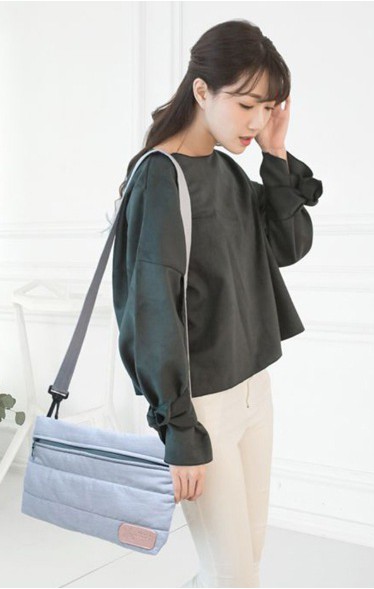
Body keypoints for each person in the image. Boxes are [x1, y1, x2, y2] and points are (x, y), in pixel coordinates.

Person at [110, 19, 323, 588]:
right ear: (202, 90)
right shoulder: (160, 178)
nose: (256, 121)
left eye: (267, 107)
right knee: (232, 575)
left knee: (245, 565)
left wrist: (275, 154)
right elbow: (149, 313)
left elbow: (289, 245)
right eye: (247, 105)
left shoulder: (227, 169)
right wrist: (179, 429)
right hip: (201, 406)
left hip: (254, 391)